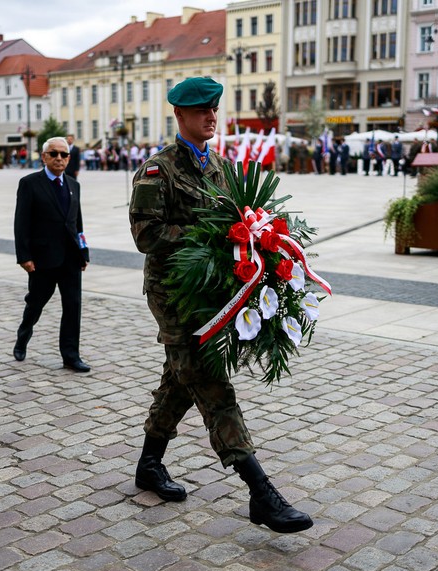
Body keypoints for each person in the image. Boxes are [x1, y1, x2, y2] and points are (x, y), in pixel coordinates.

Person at [129, 76, 313, 534]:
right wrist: (208, 240)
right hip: (172, 296)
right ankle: (260, 492)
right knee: (211, 385)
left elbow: (240, 220)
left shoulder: (222, 168)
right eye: (201, 111)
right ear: (179, 116)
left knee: (180, 377)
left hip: (212, 296)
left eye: (214, 109)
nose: (211, 117)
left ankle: (149, 464)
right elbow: (146, 235)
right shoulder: (158, 170)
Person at [13, 136, 90, 372]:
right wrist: (24, 257)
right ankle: (23, 336)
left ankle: (71, 355)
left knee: (73, 306)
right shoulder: (29, 183)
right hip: (42, 259)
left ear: (69, 158)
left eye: (64, 154)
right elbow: (21, 222)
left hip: (70, 259)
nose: (59, 158)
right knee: (35, 303)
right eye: (54, 154)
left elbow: (77, 222)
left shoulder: (73, 184)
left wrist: (84, 251)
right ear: (44, 156)